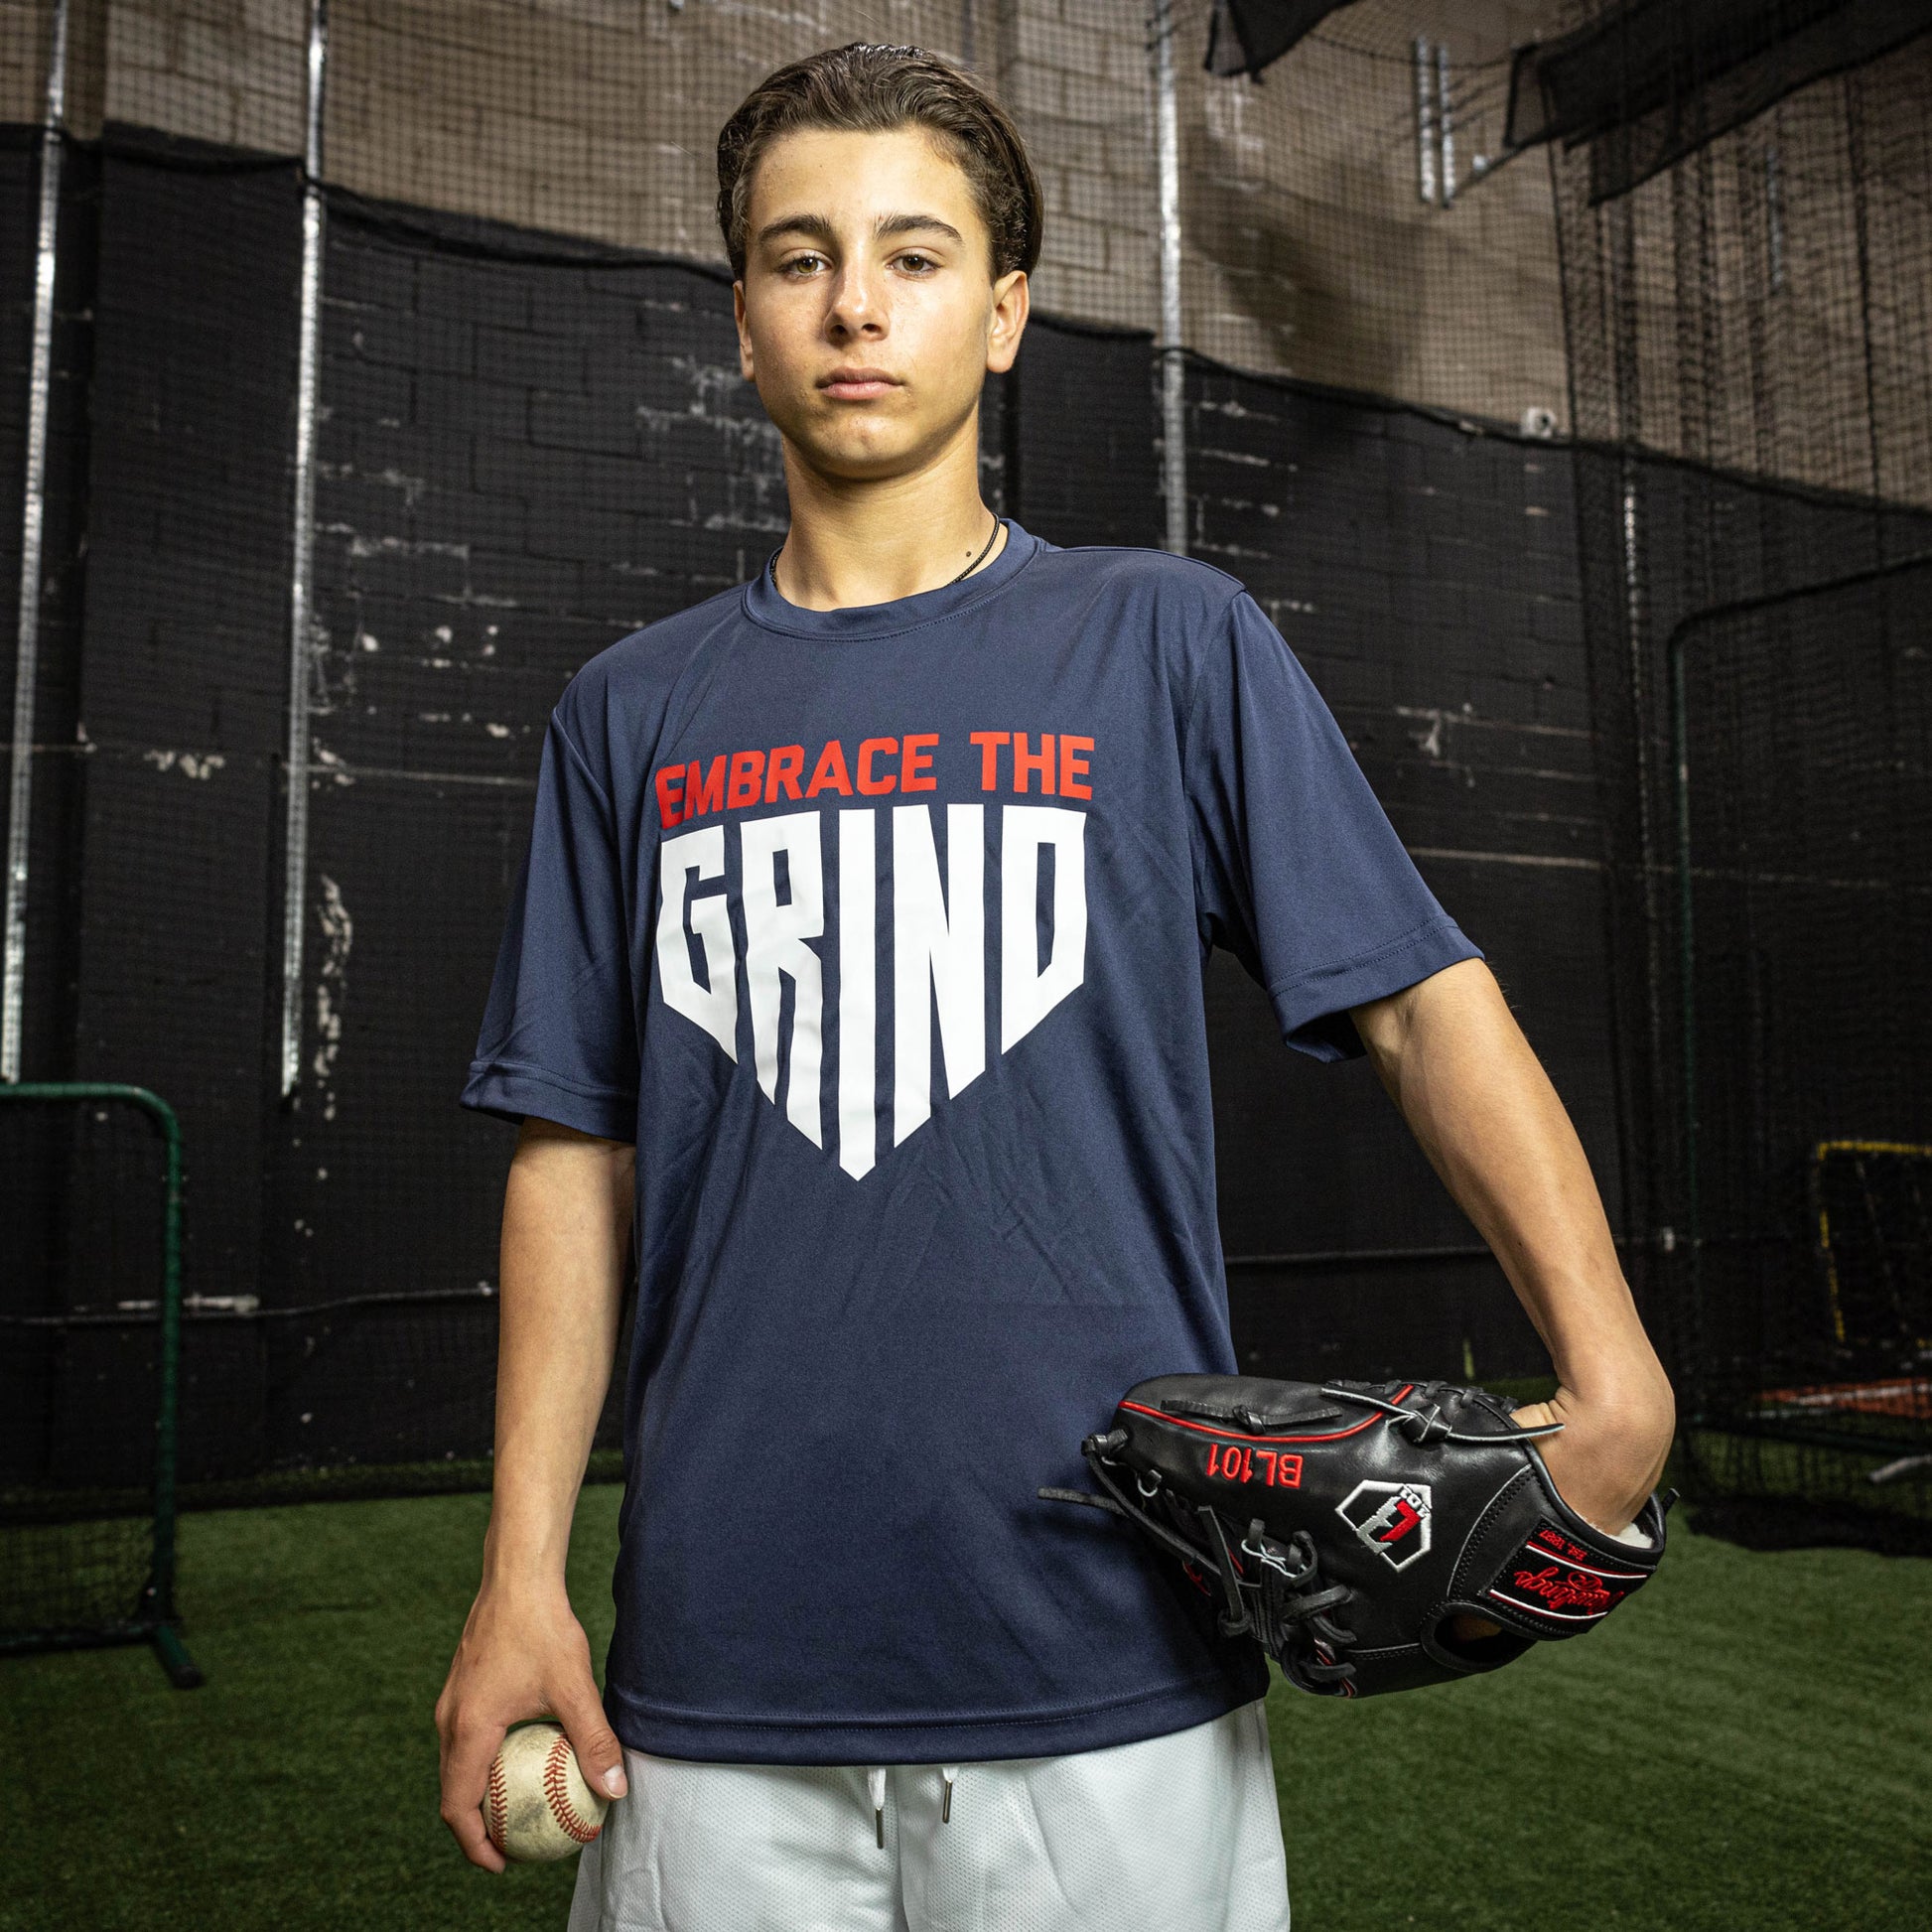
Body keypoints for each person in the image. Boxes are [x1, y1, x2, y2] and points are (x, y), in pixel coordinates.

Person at [435, 42, 1674, 1932]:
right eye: (798, 257)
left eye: (914, 256)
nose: (855, 304)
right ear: (741, 320)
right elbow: (570, 1156)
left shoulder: (1168, 640)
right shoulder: (628, 713)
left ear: (1005, 314)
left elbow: (1423, 1001)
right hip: (715, 1669)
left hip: (1109, 1652)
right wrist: (519, 1568)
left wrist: (1614, 1369)